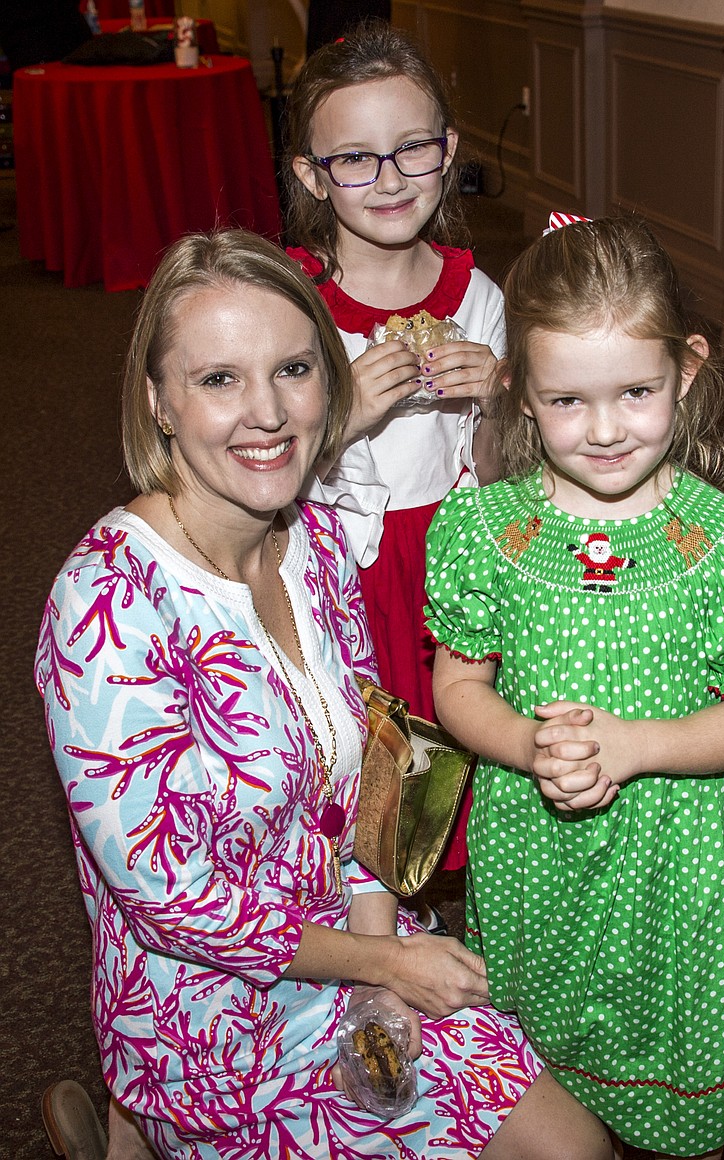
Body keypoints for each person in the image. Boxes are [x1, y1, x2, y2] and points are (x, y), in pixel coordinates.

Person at [35, 228, 617, 1160]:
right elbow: (176, 904)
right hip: (209, 1019)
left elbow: (383, 765)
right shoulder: (105, 603)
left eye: (294, 369)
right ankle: (137, 1129)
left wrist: (380, 983)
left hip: (355, 945)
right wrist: (384, 963)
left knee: (575, 1149)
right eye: (219, 379)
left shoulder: (313, 542)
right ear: (158, 403)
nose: (268, 413)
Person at [425, 214, 724, 1160]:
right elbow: (457, 688)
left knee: (669, 1026)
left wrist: (636, 745)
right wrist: (526, 743)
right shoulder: (483, 534)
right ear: (519, 393)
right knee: (543, 1052)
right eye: (566, 400)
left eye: (636, 392)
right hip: (536, 843)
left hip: (682, 852)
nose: (603, 430)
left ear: (687, 370)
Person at [284, 21, 504, 871]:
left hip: (455, 554)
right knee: (362, 752)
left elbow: (505, 469)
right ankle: (368, 904)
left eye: (411, 148)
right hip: (344, 566)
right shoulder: (293, 304)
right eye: (354, 158)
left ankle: (461, 879)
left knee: (465, 734)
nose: (388, 178)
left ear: (447, 152)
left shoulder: (477, 296)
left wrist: (501, 396)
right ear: (313, 175)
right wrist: (339, 419)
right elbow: (255, 469)